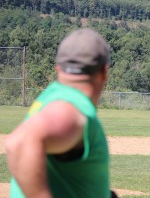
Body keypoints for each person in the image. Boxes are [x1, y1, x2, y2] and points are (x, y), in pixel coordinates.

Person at [5, 29, 117, 198]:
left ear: (58, 69)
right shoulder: (72, 106)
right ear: (104, 72)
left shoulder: (53, 96)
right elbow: (19, 143)